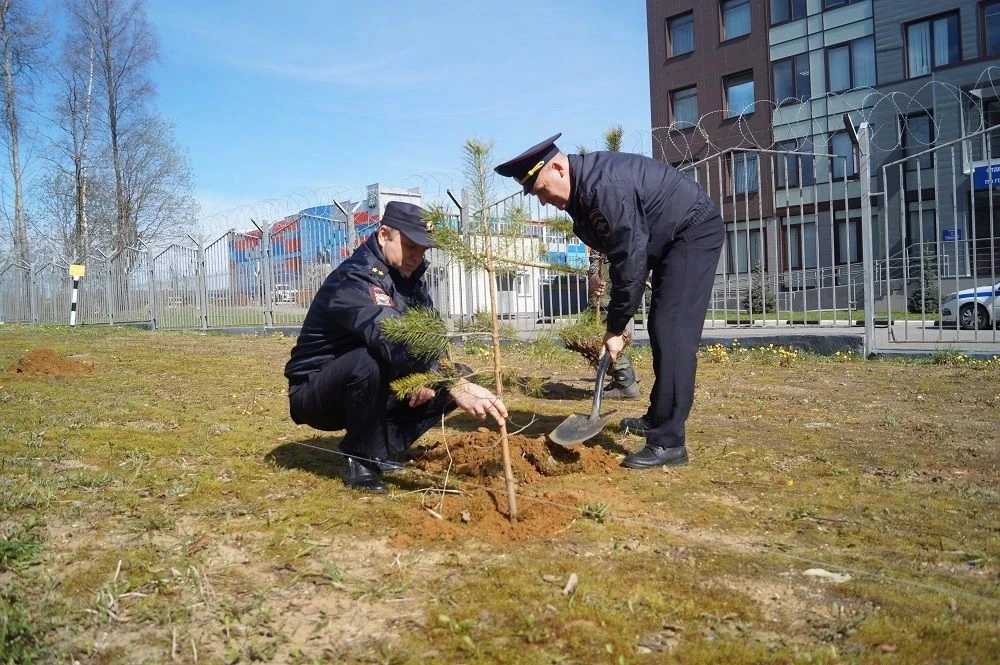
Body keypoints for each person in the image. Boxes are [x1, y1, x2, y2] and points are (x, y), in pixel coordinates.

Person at [495, 134, 724, 469]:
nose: (542, 201)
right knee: (662, 328)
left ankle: (669, 442)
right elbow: (620, 252)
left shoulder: (603, 187)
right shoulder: (583, 191)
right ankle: (658, 416)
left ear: (558, 168)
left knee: (673, 331)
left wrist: (615, 329)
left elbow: (630, 259)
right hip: (666, 238)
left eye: (542, 189)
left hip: (692, 231)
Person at [284, 201, 509, 493]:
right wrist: (448, 382)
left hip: (373, 383)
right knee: (369, 362)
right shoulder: (354, 278)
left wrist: (437, 377)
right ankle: (361, 459)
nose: (417, 255)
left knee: (457, 371)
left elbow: (430, 337)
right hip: (318, 391)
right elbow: (388, 336)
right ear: (383, 235)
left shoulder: (408, 281)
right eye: (410, 245)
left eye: (423, 249)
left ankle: (381, 450)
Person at [586, 252, 640, 399]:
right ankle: (625, 377)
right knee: (612, 322)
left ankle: (624, 380)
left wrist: (594, 270)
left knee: (603, 324)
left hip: (609, 264)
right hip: (621, 261)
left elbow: (600, 245)